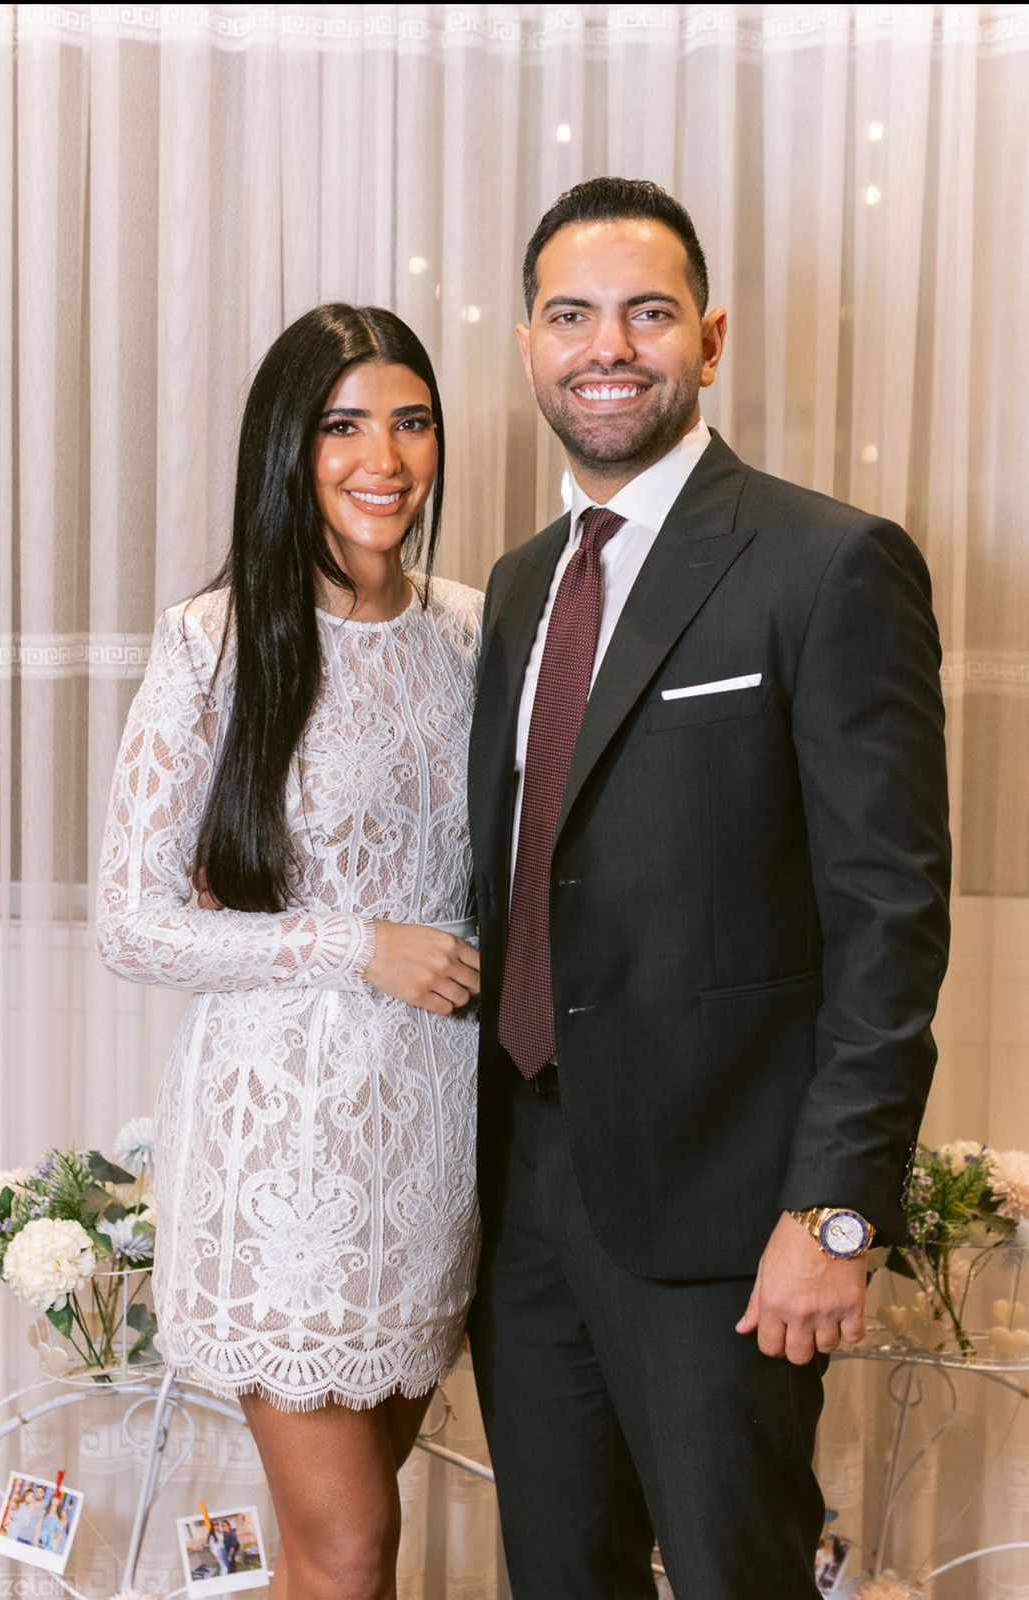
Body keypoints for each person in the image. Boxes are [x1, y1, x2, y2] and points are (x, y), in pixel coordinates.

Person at [467, 177, 950, 1598]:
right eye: (572, 316)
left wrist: (835, 1212)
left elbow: (890, 920)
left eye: (648, 313)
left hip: (732, 1221)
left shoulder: (828, 564)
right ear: (528, 346)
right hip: (524, 1198)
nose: (608, 347)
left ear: (711, 338)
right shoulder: (517, 586)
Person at [97, 303, 483, 1600]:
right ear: (288, 447)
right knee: (350, 1547)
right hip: (284, 1154)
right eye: (343, 426)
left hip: (436, 1148)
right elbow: (132, 920)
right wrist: (358, 943)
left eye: (412, 422)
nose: (385, 458)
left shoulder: (474, 629)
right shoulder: (215, 642)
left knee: (336, 1550)